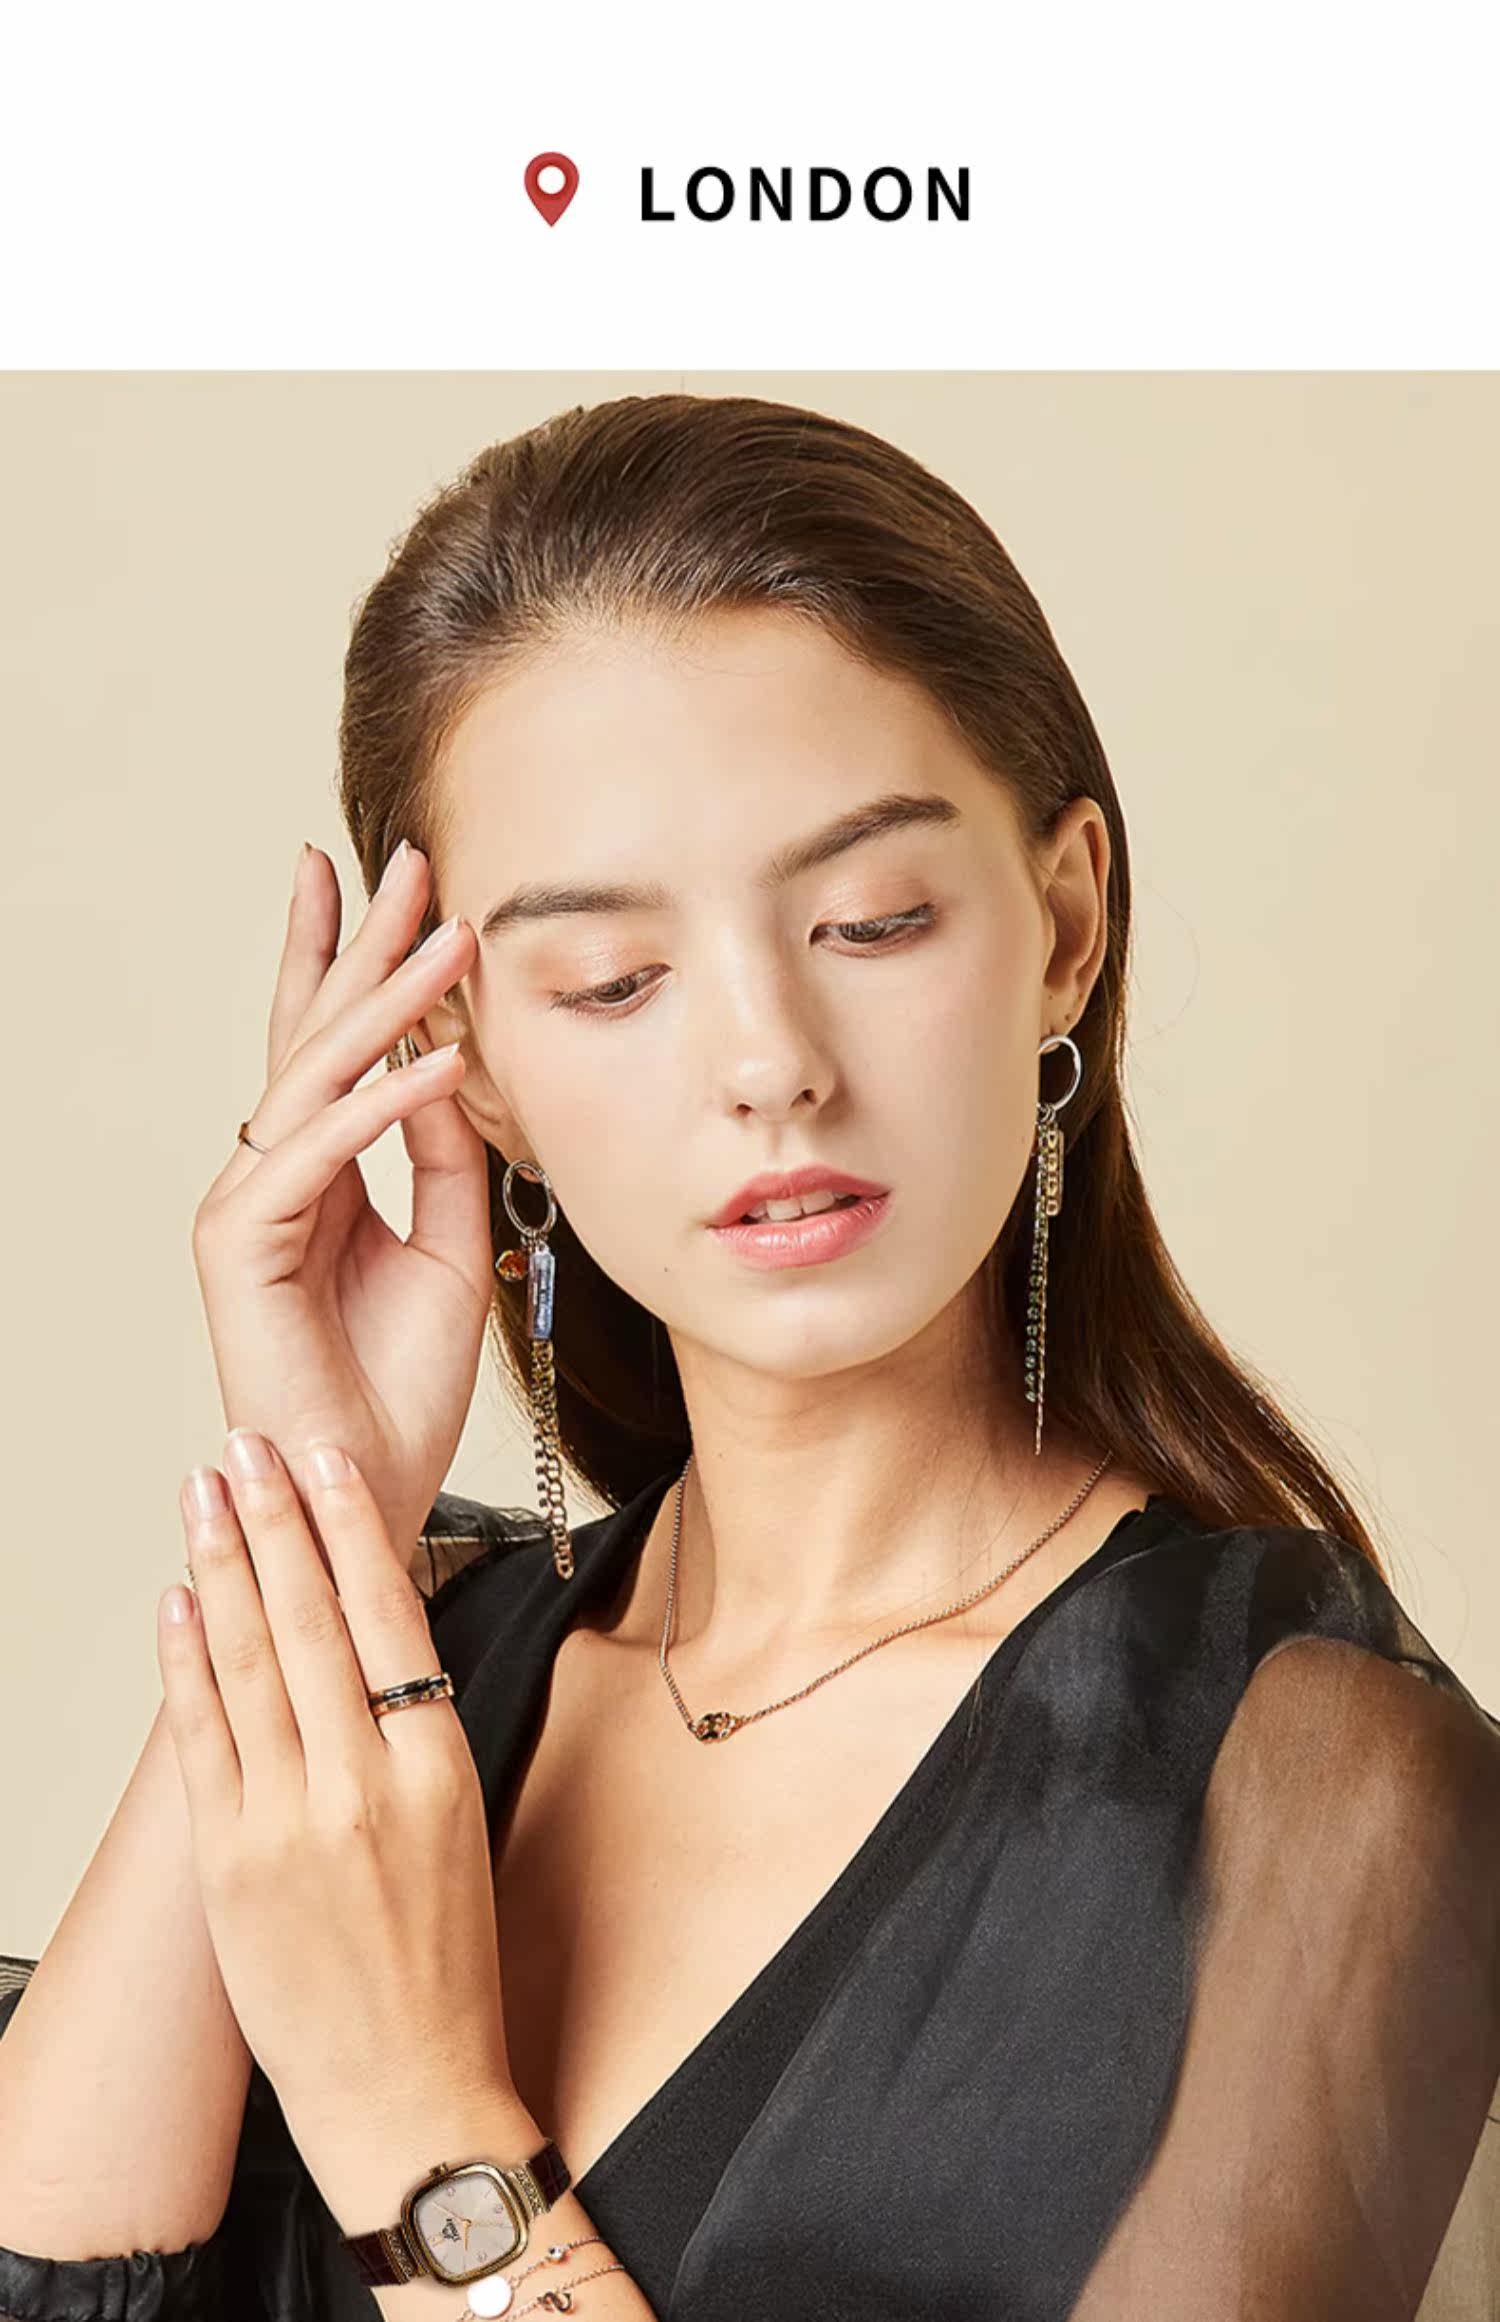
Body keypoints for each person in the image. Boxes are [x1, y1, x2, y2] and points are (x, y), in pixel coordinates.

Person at [1, 392, 1496, 2321]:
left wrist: (422, 2132)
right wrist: (322, 1505)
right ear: (474, 1075)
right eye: (612, 979)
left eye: (870, 919)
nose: (769, 1059)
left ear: (1064, 925)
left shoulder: (1311, 1789)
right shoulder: (425, 1664)